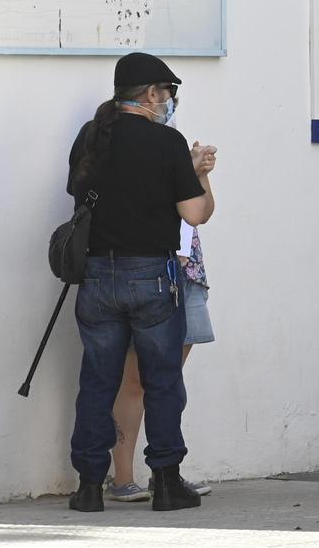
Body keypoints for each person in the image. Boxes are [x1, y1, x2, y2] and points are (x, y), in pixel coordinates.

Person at [65, 52, 217, 513]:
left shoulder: (90, 137)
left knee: (97, 381)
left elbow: (79, 196)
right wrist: (200, 176)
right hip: (149, 275)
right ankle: (167, 482)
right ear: (152, 94)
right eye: (168, 93)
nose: (169, 101)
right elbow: (195, 214)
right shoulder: (166, 141)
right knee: (162, 380)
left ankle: (89, 487)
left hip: (95, 275)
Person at [105, 214, 215, 502]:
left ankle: (166, 472)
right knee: (135, 381)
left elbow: (202, 211)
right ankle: (122, 478)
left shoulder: (184, 167)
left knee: (167, 383)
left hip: (187, 270)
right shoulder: (140, 166)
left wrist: (200, 173)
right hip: (147, 271)